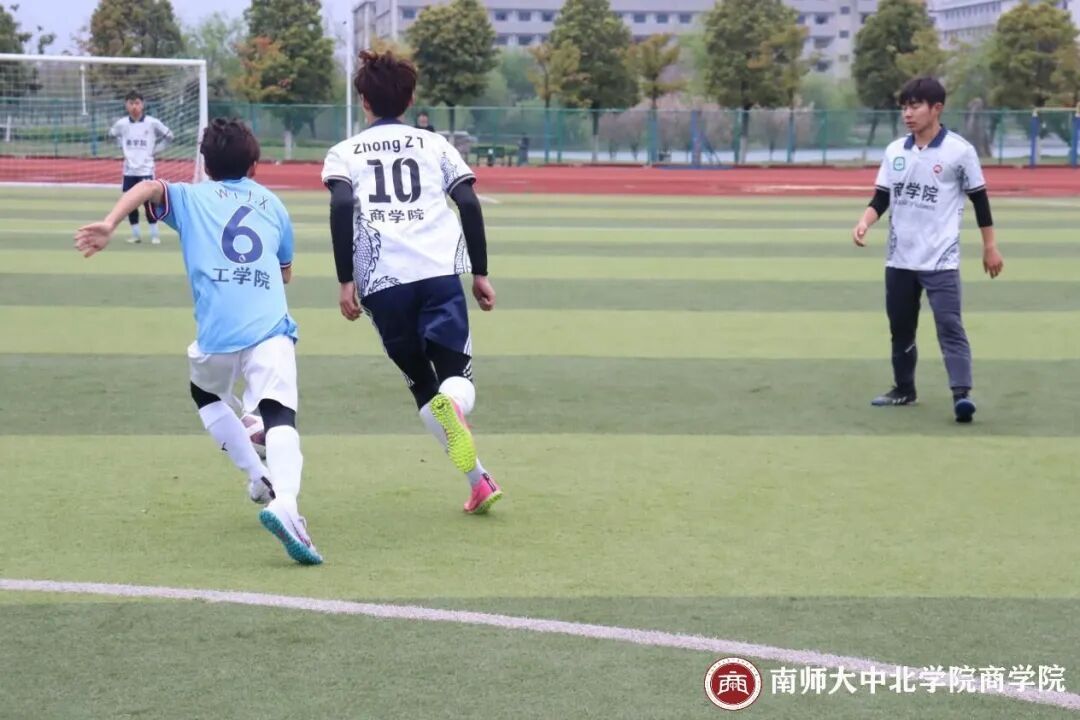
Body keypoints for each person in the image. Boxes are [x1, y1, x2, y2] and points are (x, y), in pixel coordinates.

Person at [75, 118, 322, 565]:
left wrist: (111, 222)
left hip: (216, 335)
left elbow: (147, 187)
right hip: (269, 329)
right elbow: (285, 271)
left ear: (205, 166)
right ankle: (286, 501)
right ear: (254, 165)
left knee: (206, 395)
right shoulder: (272, 204)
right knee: (278, 413)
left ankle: (257, 476)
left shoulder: (189, 198)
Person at [322, 50, 502, 514]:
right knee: (456, 379)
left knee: (422, 383)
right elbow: (469, 203)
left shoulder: (344, 152)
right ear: (410, 99)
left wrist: (345, 280)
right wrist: (480, 272)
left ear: (364, 101)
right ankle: (456, 410)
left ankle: (478, 481)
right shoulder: (434, 144)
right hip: (438, 274)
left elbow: (340, 207)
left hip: (382, 283)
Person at [852, 77, 1004, 423]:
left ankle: (961, 395)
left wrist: (990, 247)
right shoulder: (895, 151)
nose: (908, 113)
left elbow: (980, 200)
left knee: (950, 326)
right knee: (901, 327)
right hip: (900, 258)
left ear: (937, 108)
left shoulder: (960, 151)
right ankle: (904, 389)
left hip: (941, 260)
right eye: (904, 107)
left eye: (915, 106)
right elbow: (882, 197)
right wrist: (864, 221)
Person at [108, 90, 173, 245]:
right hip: (129, 171)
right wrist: (122, 147)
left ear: (142, 105)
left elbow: (169, 135)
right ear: (126, 105)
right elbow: (110, 135)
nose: (134, 106)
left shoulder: (152, 122)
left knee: (149, 203)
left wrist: (156, 150)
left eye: (137, 103)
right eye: (131, 103)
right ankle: (136, 235)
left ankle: (155, 235)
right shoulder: (122, 124)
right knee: (130, 203)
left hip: (146, 169)